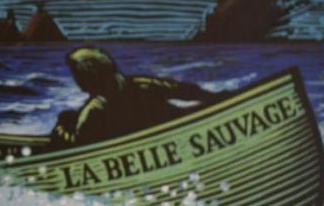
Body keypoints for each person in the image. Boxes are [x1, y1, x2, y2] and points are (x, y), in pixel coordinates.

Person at [50, 47, 220, 147]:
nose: (76, 80)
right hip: (176, 137)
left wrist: (62, 126)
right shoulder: (143, 84)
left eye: (77, 75)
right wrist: (217, 98)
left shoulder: (95, 109)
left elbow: (78, 144)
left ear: (88, 77)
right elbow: (184, 90)